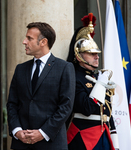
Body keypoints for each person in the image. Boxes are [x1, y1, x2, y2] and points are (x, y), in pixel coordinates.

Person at [7, 22, 76, 150]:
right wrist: (17, 130)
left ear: (43, 42)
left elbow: (66, 106)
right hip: (22, 144)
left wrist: (42, 133)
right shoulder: (20, 69)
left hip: (51, 143)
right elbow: (12, 104)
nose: (24, 41)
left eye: (29, 38)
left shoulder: (64, 68)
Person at [66, 13, 119, 150]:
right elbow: (87, 108)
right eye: (91, 53)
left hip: (104, 134)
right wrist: (101, 85)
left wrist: (116, 142)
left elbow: (107, 112)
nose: (96, 57)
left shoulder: (97, 77)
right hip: (83, 136)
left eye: (97, 54)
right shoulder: (73, 76)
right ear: (79, 56)